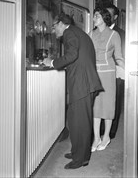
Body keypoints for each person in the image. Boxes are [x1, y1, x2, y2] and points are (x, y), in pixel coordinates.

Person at [43, 13, 103, 169]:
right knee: (75, 120)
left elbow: (72, 55)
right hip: (83, 84)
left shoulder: (70, 33)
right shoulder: (77, 33)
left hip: (82, 85)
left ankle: (81, 159)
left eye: (54, 26)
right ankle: (78, 151)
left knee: (80, 123)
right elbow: (77, 57)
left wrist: (52, 62)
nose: (53, 29)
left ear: (62, 23)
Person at [89, 7, 124, 152]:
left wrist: (129, 70)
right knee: (96, 106)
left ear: (104, 18)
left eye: (96, 16)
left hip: (109, 73)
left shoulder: (114, 35)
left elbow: (119, 57)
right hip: (95, 73)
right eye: (94, 16)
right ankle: (96, 137)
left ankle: (106, 137)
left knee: (108, 106)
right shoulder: (91, 34)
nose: (93, 18)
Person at [105, 4, 125, 139]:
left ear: (115, 17)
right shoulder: (96, 31)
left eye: (109, 15)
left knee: (114, 102)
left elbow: (122, 55)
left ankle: (111, 131)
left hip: (116, 73)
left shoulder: (122, 34)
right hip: (100, 73)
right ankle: (100, 129)